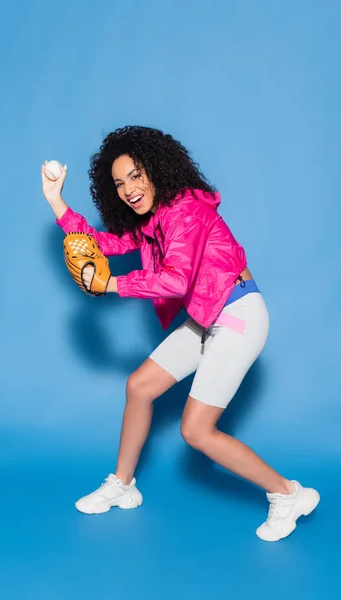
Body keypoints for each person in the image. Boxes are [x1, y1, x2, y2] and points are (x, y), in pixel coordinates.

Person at [41, 125, 320, 542]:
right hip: (208, 314)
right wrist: (56, 200)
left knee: (196, 431)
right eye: (119, 183)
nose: (128, 189)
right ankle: (123, 485)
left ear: (158, 170)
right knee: (140, 387)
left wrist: (111, 285)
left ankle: (288, 494)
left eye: (136, 175)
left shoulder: (187, 210)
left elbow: (173, 282)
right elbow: (102, 243)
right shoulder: (154, 220)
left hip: (237, 313)